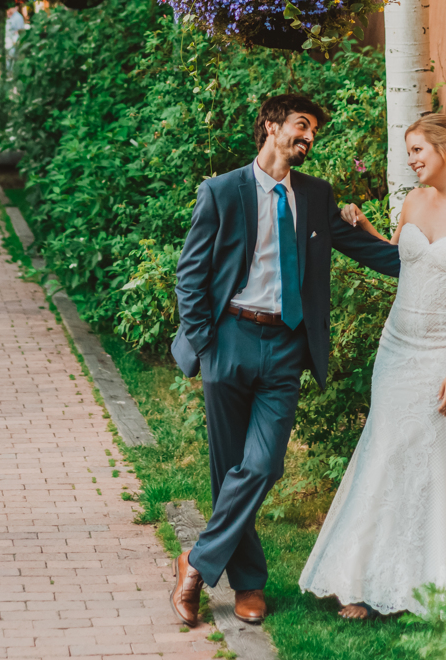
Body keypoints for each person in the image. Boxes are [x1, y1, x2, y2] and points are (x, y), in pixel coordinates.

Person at [169, 93, 401, 629]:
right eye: (302, 126)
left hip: (286, 346)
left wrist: (434, 261)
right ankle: (249, 584)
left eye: (313, 130)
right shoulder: (223, 191)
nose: (309, 137)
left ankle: (197, 563)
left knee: (264, 463)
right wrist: (206, 344)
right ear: (271, 127)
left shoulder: (317, 197)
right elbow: (191, 272)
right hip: (229, 337)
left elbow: (367, 251)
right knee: (230, 468)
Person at [298, 113, 446, 618]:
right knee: (385, 450)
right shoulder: (414, 202)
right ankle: (362, 577)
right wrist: (366, 229)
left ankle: (440, 577)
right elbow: (405, 261)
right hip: (398, 345)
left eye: (418, 150)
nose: (411, 160)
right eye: (409, 151)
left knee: (438, 455)